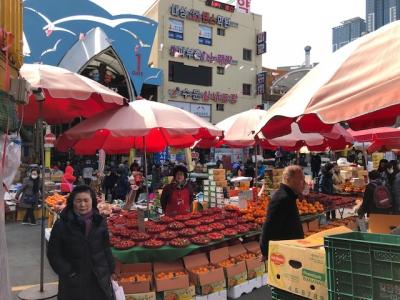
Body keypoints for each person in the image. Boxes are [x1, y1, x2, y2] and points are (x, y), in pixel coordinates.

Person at [47, 185, 115, 300]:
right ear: (72, 202)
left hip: (98, 278)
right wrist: (68, 272)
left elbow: (106, 248)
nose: (82, 205)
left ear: (92, 201)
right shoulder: (62, 224)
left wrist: (110, 269)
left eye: (86, 200)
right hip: (73, 282)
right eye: (78, 201)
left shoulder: (99, 222)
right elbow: (53, 253)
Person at [259, 165, 305, 259]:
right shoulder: (282, 198)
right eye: (301, 179)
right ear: (289, 180)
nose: (304, 183)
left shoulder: (289, 196)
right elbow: (268, 228)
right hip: (284, 254)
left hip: (291, 250)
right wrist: (266, 252)